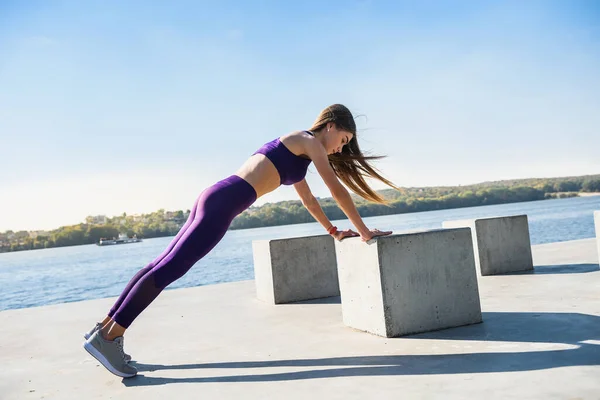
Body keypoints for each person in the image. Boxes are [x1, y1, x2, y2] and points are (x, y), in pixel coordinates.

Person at [82, 104, 398, 378]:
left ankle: (105, 330)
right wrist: (365, 232)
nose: (340, 149)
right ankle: (109, 338)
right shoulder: (308, 141)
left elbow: (310, 201)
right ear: (331, 126)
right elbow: (336, 190)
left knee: (160, 265)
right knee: (168, 270)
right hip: (224, 203)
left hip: (217, 197)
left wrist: (333, 231)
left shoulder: (297, 152)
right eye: (343, 140)